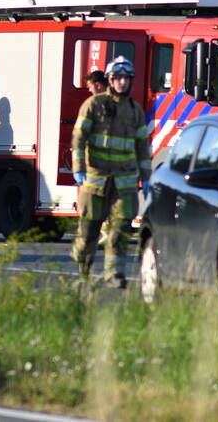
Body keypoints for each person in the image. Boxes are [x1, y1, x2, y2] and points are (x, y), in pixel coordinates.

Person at [71, 56, 151, 288]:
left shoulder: (135, 111)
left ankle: (114, 275)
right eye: (117, 78)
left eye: (126, 78)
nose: (122, 83)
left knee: (119, 232)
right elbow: (79, 138)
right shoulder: (94, 105)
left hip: (124, 184)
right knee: (88, 233)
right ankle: (83, 271)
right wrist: (79, 169)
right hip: (95, 182)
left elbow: (141, 147)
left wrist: (146, 178)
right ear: (109, 80)